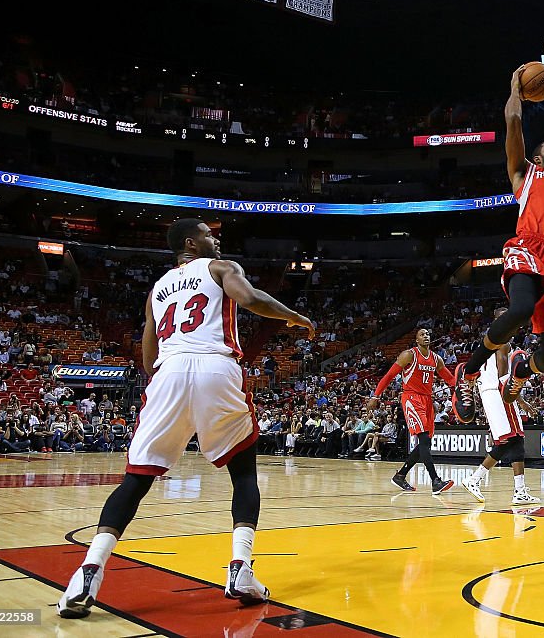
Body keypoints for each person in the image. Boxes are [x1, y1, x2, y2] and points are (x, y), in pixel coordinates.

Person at [58, 218, 315, 619]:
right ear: (192, 243)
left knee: (136, 479)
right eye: (210, 235)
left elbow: (148, 347)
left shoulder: (157, 289)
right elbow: (248, 298)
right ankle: (240, 568)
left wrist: (161, 384)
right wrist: (294, 317)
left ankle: (88, 571)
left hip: (169, 370)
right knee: (243, 471)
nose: (218, 239)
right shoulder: (221, 267)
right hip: (216, 366)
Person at [451, 62, 544, 421]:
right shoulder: (524, 173)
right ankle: (469, 372)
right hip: (530, 248)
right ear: (537, 157)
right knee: (519, 310)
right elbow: (513, 123)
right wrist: (516, 88)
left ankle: (520, 374)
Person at [461, 308, 541, 505]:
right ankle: (479, 481)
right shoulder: (503, 342)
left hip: (488, 393)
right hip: (498, 393)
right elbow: (504, 379)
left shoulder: (490, 340)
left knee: (508, 441)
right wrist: (520, 401)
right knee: (515, 439)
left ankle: (486, 482)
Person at [367, 328, 456, 494]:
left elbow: (450, 379)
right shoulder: (409, 355)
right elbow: (388, 376)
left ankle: (400, 476)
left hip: (428, 400)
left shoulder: (436, 359)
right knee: (423, 440)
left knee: (426, 443)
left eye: (428, 334)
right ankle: (435, 481)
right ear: (416, 340)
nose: (426, 336)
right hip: (412, 398)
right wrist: (376, 396)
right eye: (422, 334)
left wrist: (463, 384)